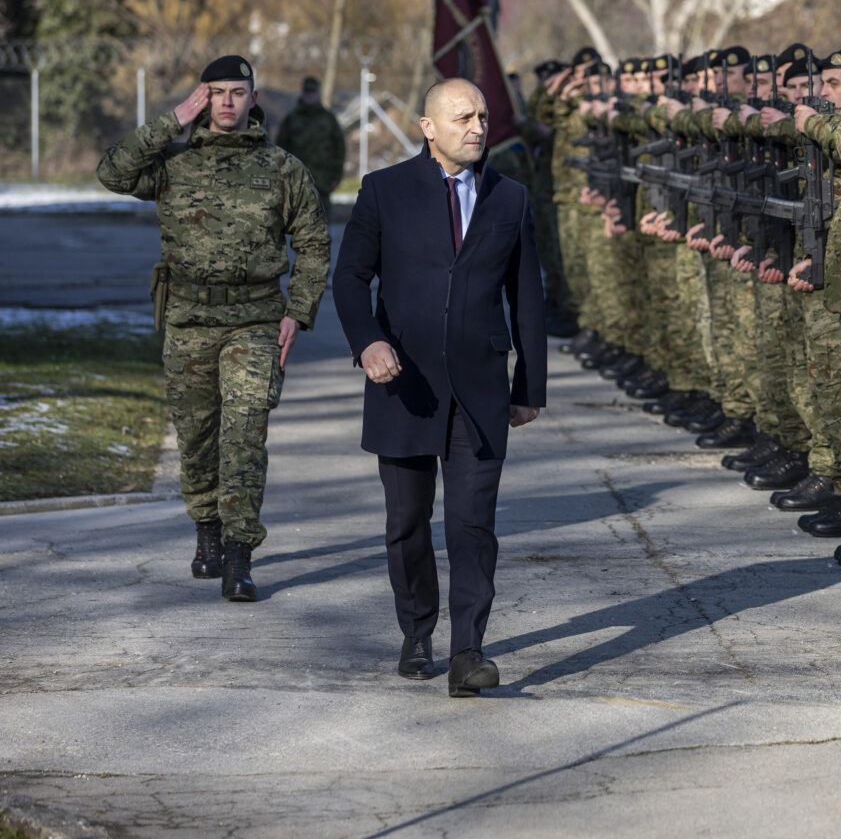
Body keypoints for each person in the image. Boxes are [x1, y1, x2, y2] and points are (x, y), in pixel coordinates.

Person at [331, 77, 547, 697]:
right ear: (428, 127)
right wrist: (368, 342)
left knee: (472, 525)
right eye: (462, 118)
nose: (478, 127)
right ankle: (418, 627)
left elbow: (526, 296)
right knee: (407, 522)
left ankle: (468, 652)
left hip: (479, 389)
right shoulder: (384, 192)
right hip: (404, 381)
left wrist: (529, 383)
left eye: (482, 116)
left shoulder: (511, 199)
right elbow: (350, 279)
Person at [97, 54, 330, 602]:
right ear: (203, 98)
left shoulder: (282, 168)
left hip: (254, 320)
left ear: (254, 99)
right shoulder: (174, 162)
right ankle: (207, 528)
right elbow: (113, 172)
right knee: (197, 438)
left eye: (237, 91)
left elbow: (314, 242)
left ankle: (239, 555)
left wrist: (299, 310)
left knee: (244, 436)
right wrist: (172, 119)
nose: (227, 101)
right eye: (216, 92)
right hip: (189, 320)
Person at [275, 76, 347, 218]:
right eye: (307, 92)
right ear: (302, 92)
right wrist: (281, 175)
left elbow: (339, 148)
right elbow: (280, 149)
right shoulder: (292, 119)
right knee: (297, 225)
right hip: (296, 181)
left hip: (322, 181)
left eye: (312, 92)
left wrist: (336, 176)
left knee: (322, 225)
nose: (309, 95)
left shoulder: (328, 119)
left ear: (318, 93)